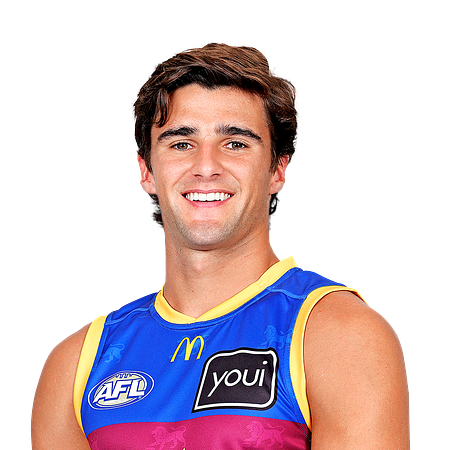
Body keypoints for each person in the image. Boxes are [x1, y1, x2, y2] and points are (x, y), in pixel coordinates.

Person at [30, 42, 411, 449]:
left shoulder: (340, 334)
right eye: (181, 143)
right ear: (146, 171)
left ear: (278, 170)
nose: (206, 166)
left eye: (236, 143)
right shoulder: (78, 364)